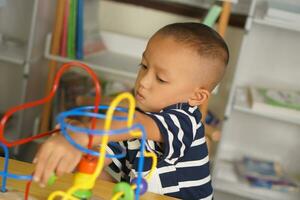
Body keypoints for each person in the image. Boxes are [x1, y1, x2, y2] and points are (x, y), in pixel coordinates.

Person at [33, 22, 229, 199]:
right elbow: (106, 152)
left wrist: (85, 134)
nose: (143, 81)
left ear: (196, 97)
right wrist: (83, 148)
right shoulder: (133, 115)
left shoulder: (185, 121)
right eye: (143, 66)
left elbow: (136, 125)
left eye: (161, 79)